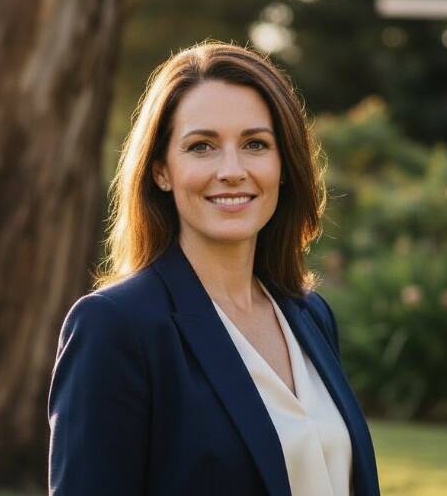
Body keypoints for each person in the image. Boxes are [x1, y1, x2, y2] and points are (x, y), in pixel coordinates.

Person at [48, 41, 380, 496]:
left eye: (255, 144)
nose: (231, 170)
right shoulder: (115, 326)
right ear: (162, 170)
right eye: (202, 146)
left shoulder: (309, 315)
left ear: (283, 165)